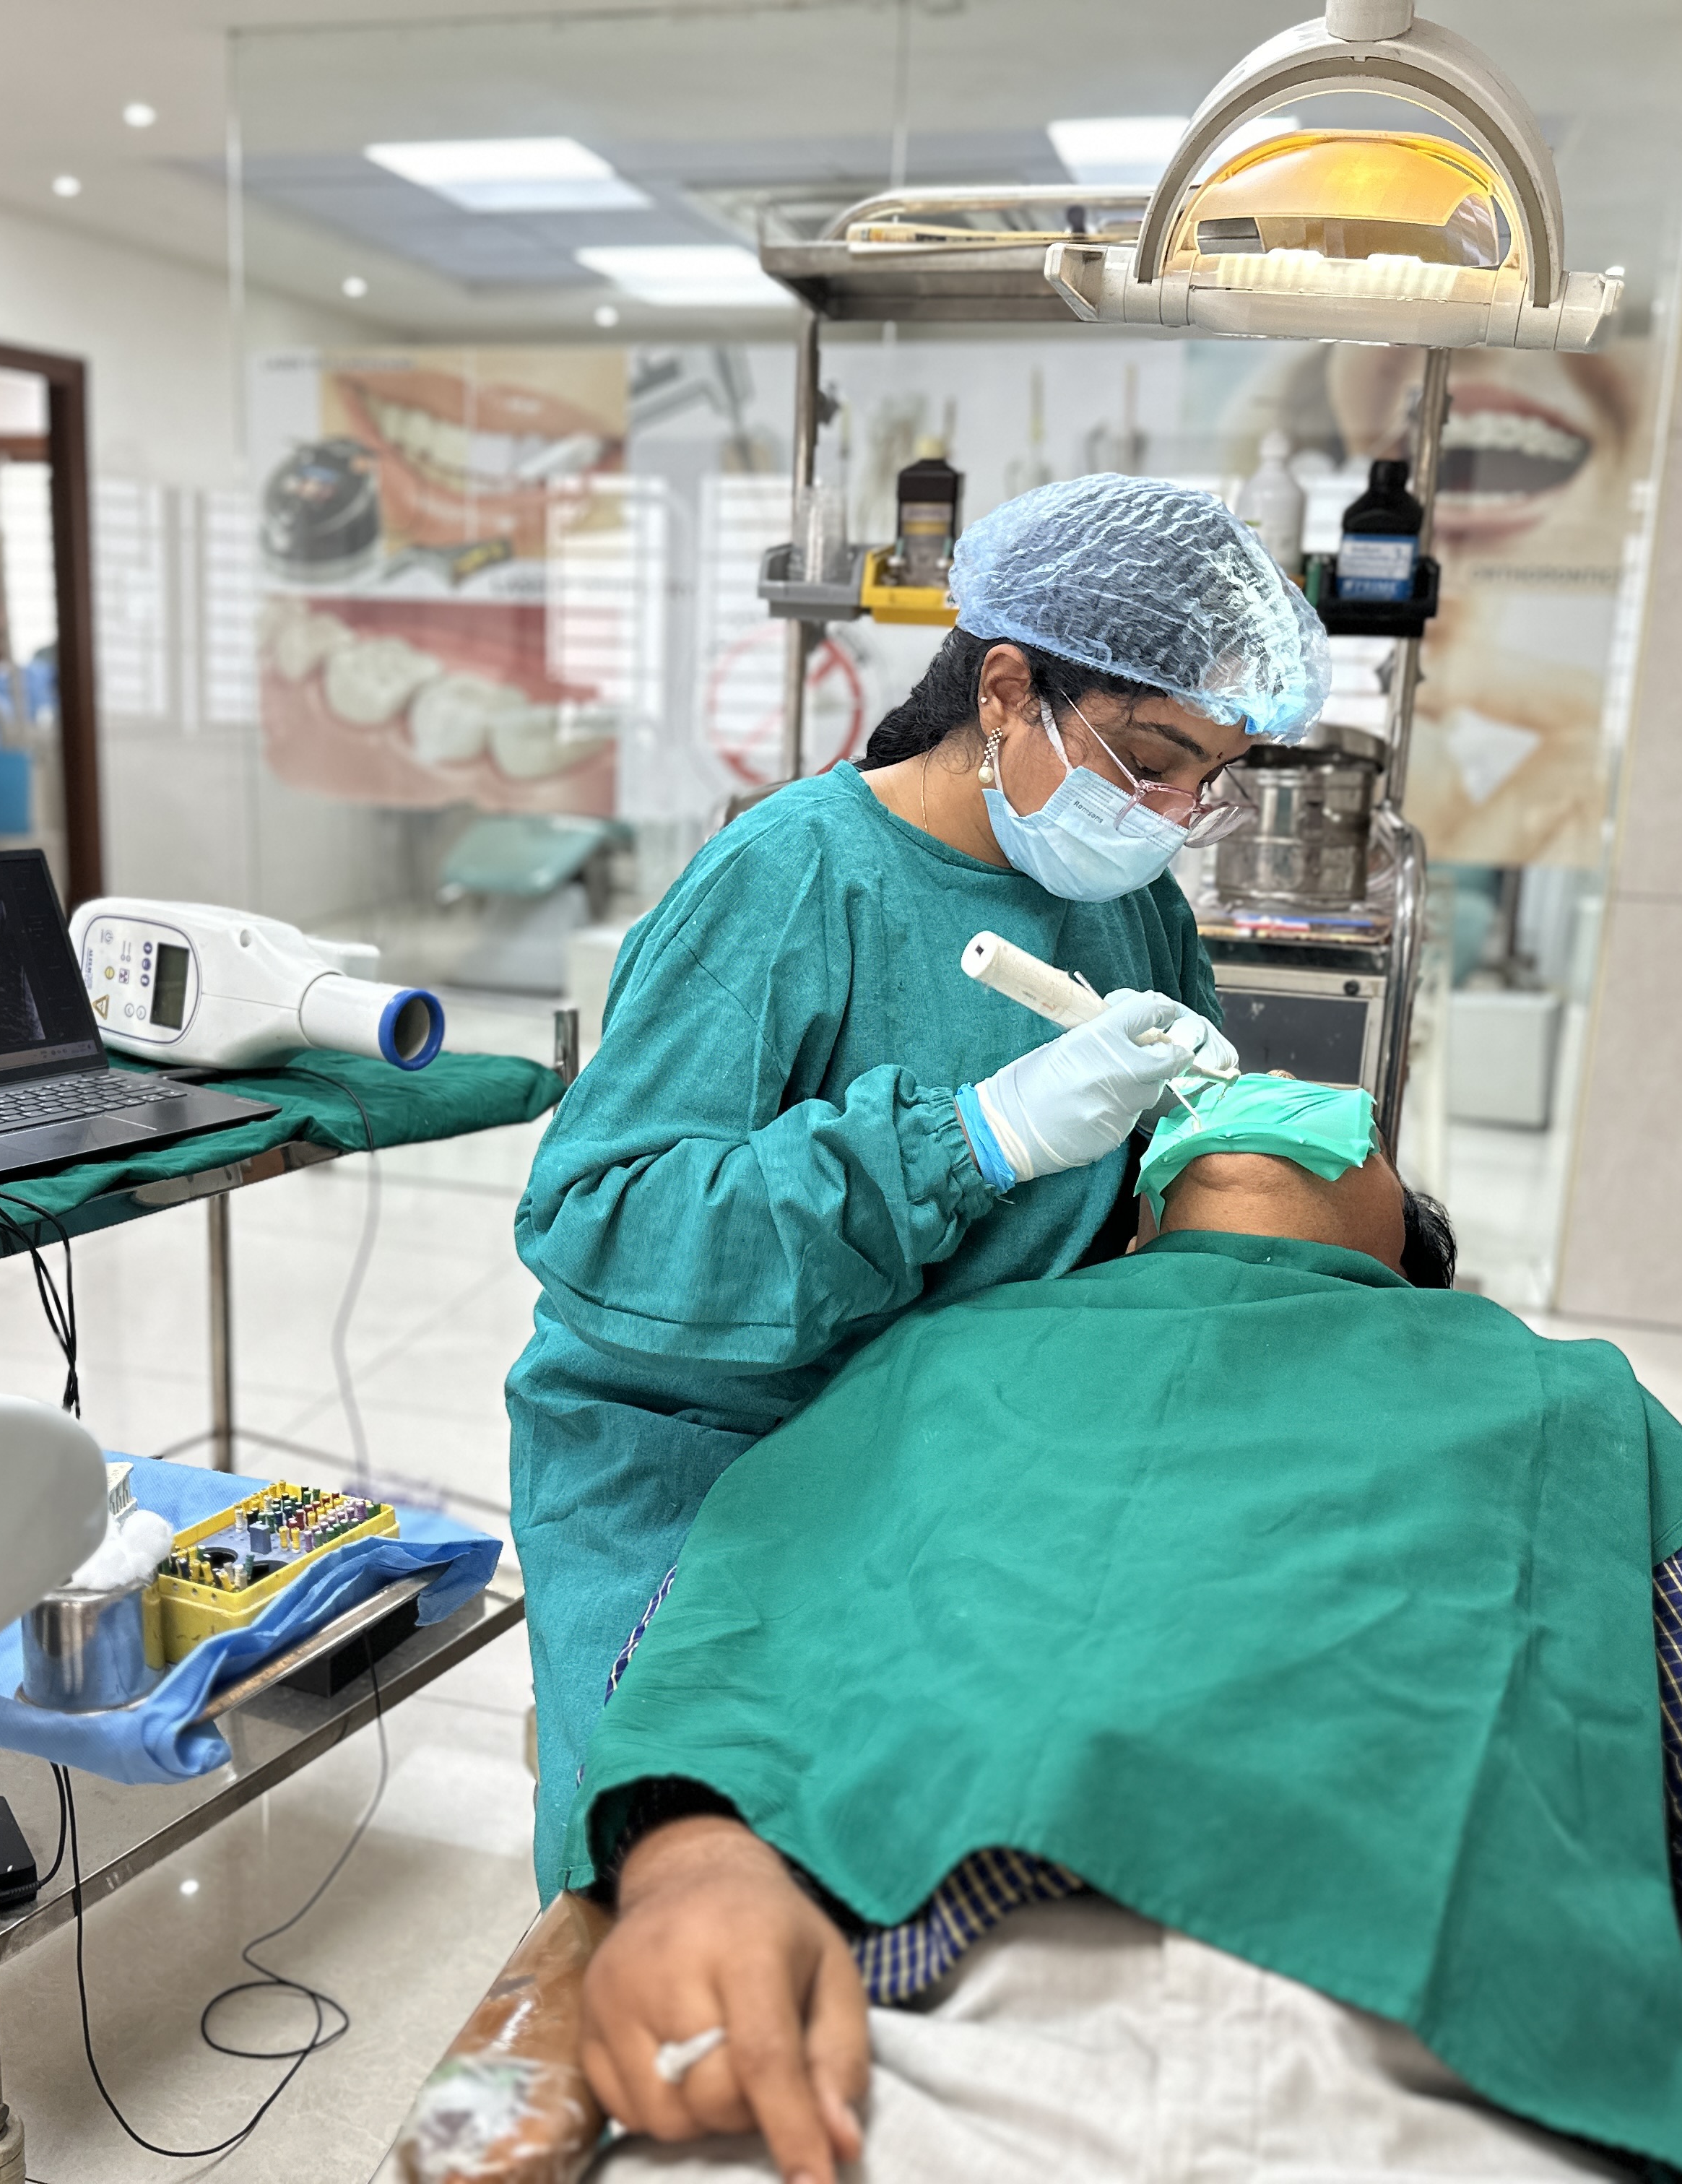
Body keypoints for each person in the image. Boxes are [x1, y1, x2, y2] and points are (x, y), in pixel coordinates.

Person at [561, 1124, 1682, 2184]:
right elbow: (711, 1635)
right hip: (901, 2059)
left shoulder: (1570, 1400)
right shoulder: (937, 1351)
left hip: (1460, 2096)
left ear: (1411, 1251)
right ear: (1138, 1214)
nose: (1277, 1102)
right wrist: (700, 1871)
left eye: (1357, 1124)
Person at [505, 474, 1329, 1890]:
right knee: (697, 1869)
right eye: (1152, 758)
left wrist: (1204, 1152)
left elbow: (1155, 1204)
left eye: (1211, 778)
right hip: (713, 1458)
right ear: (1005, 690)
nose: (1176, 811)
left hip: (964, 1445)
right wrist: (974, 1138)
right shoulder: (789, 879)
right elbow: (602, 1228)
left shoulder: (1128, 900)